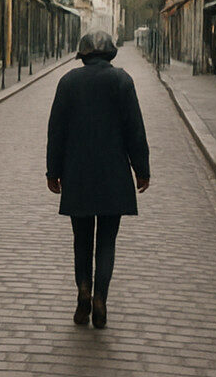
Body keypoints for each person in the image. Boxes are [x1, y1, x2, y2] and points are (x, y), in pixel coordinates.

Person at [46, 31, 150, 329]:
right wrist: (141, 169)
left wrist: (53, 172)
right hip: (114, 174)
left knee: (81, 240)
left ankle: (83, 289)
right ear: (110, 54)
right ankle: (101, 297)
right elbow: (135, 129)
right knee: (106, 241)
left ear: (83, 54)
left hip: (77, 174)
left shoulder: (68, 82)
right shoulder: (122, 81)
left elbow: (56, 132)